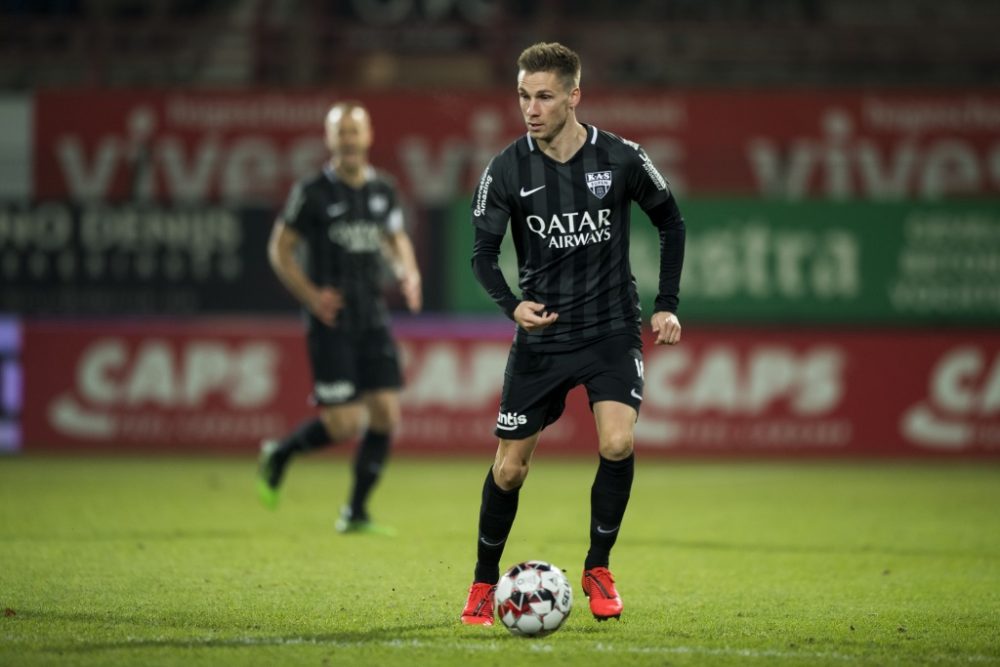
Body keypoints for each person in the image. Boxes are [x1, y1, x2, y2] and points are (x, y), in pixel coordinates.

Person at [459, 42, 685, 624]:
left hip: (611, 328)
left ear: (573, 96)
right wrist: (512, 306)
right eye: (522, 97)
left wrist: (666, 304)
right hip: (543, 337)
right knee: (510, 469)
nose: (530, 109)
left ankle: (598, 567)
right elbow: (482, 255)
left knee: (617, 442)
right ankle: (484, 583)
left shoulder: (621, 157)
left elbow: (671, 221)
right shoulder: (507, 167)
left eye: (543, 96)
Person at [257, 101, 422, 535]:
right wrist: (311, 296)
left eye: (355, 131)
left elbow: (395, 238)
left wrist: (409, 272)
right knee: (345, 424)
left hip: (373, 317)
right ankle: (281, 453)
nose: (348, 139)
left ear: (368, 136)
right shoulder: (312, 191)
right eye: (340, 132)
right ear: (330, 139)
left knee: (385, 414)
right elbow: (280, 249)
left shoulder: (383, 189)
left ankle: (355, 512)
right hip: (331, 321)